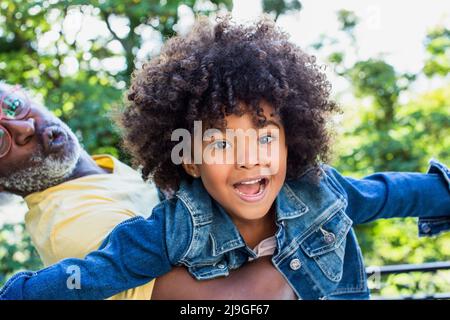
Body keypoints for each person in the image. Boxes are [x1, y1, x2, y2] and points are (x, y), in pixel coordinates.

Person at [1, 16, 449, 300]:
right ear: (190, 161)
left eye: (266, 136)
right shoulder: (170, 231)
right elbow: (94, 273)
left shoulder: (320, 191)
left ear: (292, 140)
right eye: (219, 143)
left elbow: (391, 194)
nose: (250, 159)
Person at [0, 81, 296, 300]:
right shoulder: (71, 224)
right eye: (1, 139)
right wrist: (309, 232)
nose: (25, 127)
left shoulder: (102, 173)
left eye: (12, 105)